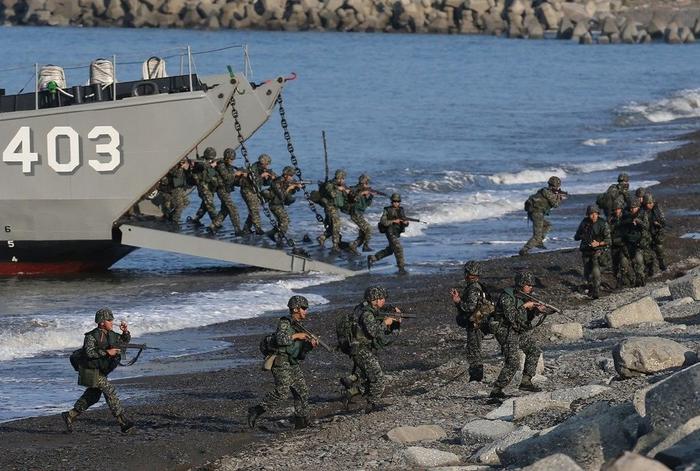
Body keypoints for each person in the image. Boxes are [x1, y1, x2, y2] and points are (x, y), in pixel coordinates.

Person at [247, 295, 318, 430]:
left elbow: (300, 350)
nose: (305, 311)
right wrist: (297, 336)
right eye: (303, 308)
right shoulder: (285, 322)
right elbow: (281, 340)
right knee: (282, 392)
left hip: (292, 361)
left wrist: (310, 344)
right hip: (281, 361)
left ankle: (301, 421)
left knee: (302, 391)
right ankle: (256, 410)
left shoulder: (298, 326)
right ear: (296, 309)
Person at [62, 308, 134, 434]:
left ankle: (70, 415)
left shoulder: (111, 334)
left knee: (93, 396)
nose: (112, 322)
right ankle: (122, 422)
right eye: (109, 320)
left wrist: (125, 332)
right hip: (89, 369)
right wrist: (107, 352)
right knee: (109, 390)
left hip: (100, 370)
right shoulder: (91, 336)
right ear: (102, 322)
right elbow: (89, 352)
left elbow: (122, 343)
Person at [337, 286, 402, 408]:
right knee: (378, 379)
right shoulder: (367, 314)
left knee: (369, 377)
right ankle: (372, 404)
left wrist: (394, 311)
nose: (384, 301)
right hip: (361, 350)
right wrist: (386, 323)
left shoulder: (363, 307)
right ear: (375, 299)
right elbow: (373, 332)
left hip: (362, 349)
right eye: (382, 298)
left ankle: (350, 391)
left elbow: (381, 310)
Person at [490, 271, 546, 400]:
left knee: (534, 351)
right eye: (528, 285)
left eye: (532, 285)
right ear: (521, 284)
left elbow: (525, 318)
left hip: (517, 330)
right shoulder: (507, 296)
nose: (531, 287)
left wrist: (536, 311)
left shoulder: (525, 296)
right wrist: (525, 306)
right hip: (505, 331)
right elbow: (511, 316)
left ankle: (526, 381)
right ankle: (497, 389)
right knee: (513, 362)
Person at [450, 260, 491, 382]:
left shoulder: (474, 288)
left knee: (473, 351)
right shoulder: (477, 286)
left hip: (476, 324)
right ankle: (476, 376)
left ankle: (476, 378)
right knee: (474, 349)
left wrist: (458, 302)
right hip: (479, 322)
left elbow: (471, 307)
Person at [519, 176, 566, 256]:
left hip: (534, 213)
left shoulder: (543, 190)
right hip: (537, 214)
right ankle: (525, 249)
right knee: (537, 236)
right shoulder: (548, 192)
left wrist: (557, 195)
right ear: (556, 185)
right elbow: (555, 204)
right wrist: (559, 198)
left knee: (547, 225)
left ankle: (539, 241)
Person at [574, 205, 611, 299]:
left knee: (596, 270)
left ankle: (596, 291)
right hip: (586, 250)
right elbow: (576, 237)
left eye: (595, 214)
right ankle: (589, 287)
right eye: (591, 214)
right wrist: (582, 234)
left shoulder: (603, 223)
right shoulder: (584, 222)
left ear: (598, 214)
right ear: (588, 215)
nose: (594, 216)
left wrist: (598, 243)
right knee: (587, 271)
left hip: (598, 250)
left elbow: (609, 240)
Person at [368, 193, 408, 274]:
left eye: (397, 201)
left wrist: (406, 223)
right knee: (398, 248)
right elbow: (383, 221)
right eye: (394, 201)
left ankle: (373, 258)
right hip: (390, 231)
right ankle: (401, 267)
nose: (395, 203)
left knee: (390, 250)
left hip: (396, 232)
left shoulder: (401, 210)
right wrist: (393, 221)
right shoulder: (387, 210)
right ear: (391, 202)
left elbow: (404, 222)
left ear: (399, 202)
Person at [265, 166, 303, 246]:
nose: (291, 178)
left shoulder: (286, 181)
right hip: (274, 204)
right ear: (286, 175)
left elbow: (290, 194)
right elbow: (281, 196)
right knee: (285, 221)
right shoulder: (276, 182)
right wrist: (289, 188)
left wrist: (297, 187)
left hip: (279, 204)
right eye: (290, 176)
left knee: (282, 222)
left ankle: (271, 233)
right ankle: (279, 238)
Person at [240, 153, 276, 235]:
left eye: (268, 164)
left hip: (254, 191)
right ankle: (258, 229)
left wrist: (269, 178)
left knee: (253, 209)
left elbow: (266, 183)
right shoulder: (253, 168)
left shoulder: (263, 169)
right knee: (254, 209)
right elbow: (253, 180)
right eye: (266, 164)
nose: (267, 166)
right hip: (247, 190)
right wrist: (262, 176)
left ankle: (246, 228)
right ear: (262, 163)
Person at [211, 148, 245, 235]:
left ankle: (214, 225)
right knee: (232, 209)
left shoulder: (228, 165)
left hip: (226, 189)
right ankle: (237, 230)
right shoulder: (221, 165)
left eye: (233, 159)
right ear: (226, 158)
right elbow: (227, 178)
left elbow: (232, 180)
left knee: (225, 209)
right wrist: (235, 174)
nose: (232, 161)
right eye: (231, 159)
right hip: (221, 189)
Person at [318, 169, 350, 252]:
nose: (343, 180)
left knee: (333, 226)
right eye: (343, 179)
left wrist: (347, 192)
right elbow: (332, 194)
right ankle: (335, 245)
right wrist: (340, 189)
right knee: (337, 225)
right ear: (339, 178)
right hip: (330, 207)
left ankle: (322, 238)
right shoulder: (329, 184)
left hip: (335, 208)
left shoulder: (341, 185)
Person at [187, 147, 220, 226]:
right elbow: (203, 166)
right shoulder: (200, 162)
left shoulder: (207, 162)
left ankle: (197, 218)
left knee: (205, 204)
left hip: (209, 186)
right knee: (210, 204)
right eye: (209, 158)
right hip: (203, 186)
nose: (210, 160)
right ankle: (216, 222)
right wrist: (211, 165)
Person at [621, 198, 650, 287]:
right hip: (629, 242)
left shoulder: (643, 214)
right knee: (627, 262)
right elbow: (622, 226)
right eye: (631, 208)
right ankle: (634, 280)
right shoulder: (627, 215)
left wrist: (638, 221)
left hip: (640, 242)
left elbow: (646, 226)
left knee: (639, 260)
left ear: (638, 207)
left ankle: (641, 278)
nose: (632, 209)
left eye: (634, 208)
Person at [608, 197, 634, 289]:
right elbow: (607, 232)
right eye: (615, 209)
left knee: (624, 264)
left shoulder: (627, 217)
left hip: (624, 245)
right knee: (615, 266)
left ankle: (628, 281)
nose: (617, 211)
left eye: (618, 209)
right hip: (614, 245)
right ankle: (621, 281)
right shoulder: (611, 219)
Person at [346, 174, 375, 254]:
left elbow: (367, 204)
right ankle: (365, 246)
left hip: (359, 213)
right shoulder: (354, 189)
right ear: (364, 182)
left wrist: (370, 196)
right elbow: (353, 198)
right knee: (368, 229)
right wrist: (362, 193)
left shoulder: (365, 190)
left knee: (363, 233)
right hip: (355, 212)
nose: (367, 184)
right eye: (367, 183)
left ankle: (353, 246)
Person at [642, 193, 667, 275]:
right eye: (648, 203)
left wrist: (658, 223)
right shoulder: (642, 210)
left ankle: (663, 267)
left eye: (651, 203)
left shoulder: (657, 209)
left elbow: (663, 221)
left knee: (659, 250)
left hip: (656, 232)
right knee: (647, 254)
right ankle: (650, 271)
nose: (650, 205)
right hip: (646, 234)